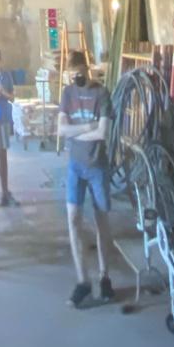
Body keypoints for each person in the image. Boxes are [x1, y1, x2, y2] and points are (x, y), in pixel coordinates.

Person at [57, 49, 116, 306]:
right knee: (73, 220)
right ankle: (83, 281)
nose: (76, 79)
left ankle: (104, 277)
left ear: (86, 69)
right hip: (76, 167)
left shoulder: (101, 93)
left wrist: (76, 133)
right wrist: (86, 127)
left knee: (101, 222)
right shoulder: (68, 94)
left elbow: (103, 132)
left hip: (97, 166)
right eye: (72, 75)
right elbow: (60, 129)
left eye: (79, 73)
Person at [0, 47, 17, 207]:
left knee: (2, 156)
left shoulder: (7, 76)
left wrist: (3, 92)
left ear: (0, 59)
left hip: (3, 119)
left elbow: (12, 97)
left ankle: (5, 191)